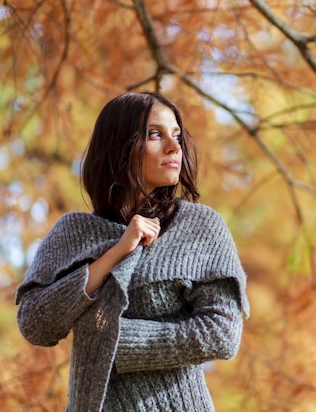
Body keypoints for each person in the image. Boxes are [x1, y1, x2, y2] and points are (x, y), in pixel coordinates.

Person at [15, 91, 250, 412]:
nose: (174, 146)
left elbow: (222, 334)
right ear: (119, 145)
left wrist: (111, 340)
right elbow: (35, 324)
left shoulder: (199, 226)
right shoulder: (73, 233)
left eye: (177, 135)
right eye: (155, 134)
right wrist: (115, 254)